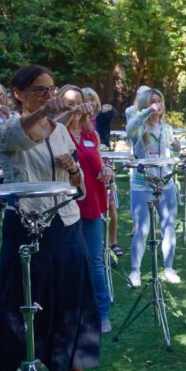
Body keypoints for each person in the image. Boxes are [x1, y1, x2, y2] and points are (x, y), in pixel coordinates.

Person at [0, 65, 101, 371]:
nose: (47, 95)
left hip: (66, 223)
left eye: (50, 89)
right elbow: (21, 136)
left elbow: (79, 186)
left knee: (74, 299)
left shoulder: (60, 133)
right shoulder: (6, 129)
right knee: (15, 306)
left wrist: (73, 169)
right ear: (18, 93)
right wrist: (47, 109)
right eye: (39, 90)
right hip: (26, 225)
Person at [60, 86, 114, 333]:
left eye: (79, 102)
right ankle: (69, 312)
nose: (77, 107)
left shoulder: (91, 134)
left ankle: (101, 313)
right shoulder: (56, 133)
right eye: (70, 102)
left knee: (95, 262)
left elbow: (98, 164)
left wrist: (106, 170)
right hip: (65, 205)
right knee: (67, 261)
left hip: (91, 202)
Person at [126, 87, 181, 286]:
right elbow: (130, 130)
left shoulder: (167, 128)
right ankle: (135, 271)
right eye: (152, 101)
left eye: (159, 100)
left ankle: (168, 267)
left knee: (168, 226)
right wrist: (147, 111)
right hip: (143, 183)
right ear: (144, 105)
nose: (157, 104)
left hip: (166, 182)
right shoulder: (139, 127)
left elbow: (170, 155)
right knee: (142, 228)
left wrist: (177, 149)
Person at [84, 87, 122, 258]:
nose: (89, 102)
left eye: (92, 98)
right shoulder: (75, 121)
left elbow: (111, 114)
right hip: (85, 165)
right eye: (86, 99)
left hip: (103, 162)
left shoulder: (100, 117)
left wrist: (110, 108)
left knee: (110, 204)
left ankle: (113, 242)